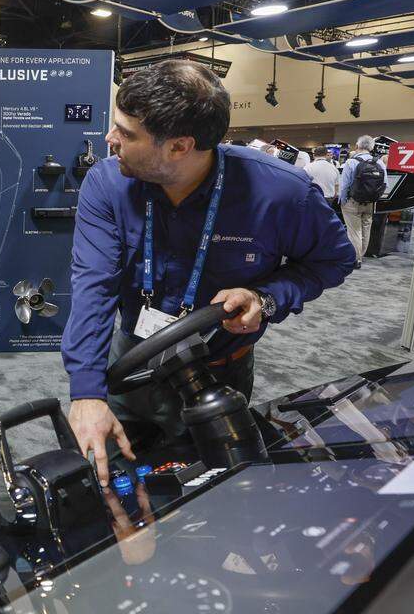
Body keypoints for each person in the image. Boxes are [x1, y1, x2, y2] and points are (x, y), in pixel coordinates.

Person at [61, 60, 354, 486]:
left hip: (221, 368)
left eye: (126, 133)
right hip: (131, 361)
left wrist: (266, 298)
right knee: (117, 486)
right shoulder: (106, 184)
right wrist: (87, 392)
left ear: (179, 147)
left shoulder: (281, 193)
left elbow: (334, 260)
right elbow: (93, 286)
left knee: (215, 487)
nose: (109, 139)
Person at [338, 135, 388, 269]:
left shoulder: (351, 162)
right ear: (372, 147)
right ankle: (361, 256)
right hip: (371, 203)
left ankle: (355, 259)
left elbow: (345, 185)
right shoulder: (380, 163)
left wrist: (342, 201)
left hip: (352, 202)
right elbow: (385, 184)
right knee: (366, 230)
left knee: (354, 231)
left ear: (357, 145)